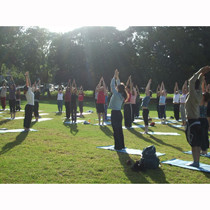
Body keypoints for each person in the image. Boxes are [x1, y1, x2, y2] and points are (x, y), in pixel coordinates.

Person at [185, 66, 210, 167]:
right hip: (197, 122)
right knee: (197, 143)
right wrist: (201, 76)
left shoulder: (192, 95)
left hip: (192, 122)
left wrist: (200, 71)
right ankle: (196, 162)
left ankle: (195, 162)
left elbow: (191, 81)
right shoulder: (199, 94)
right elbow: (197, 84)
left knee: (193, 144)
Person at [109, 69, 128, 150]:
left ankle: (117, 146)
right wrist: (117, 77)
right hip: (119, 114)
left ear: (118, 89)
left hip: (115, 113)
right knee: (119, 130)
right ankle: (122, 145)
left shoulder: (116, 94)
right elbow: (119, 86)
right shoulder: (122, 94)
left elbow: (112, 85)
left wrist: (114, 76)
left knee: (115, 130)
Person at [199, 79, 210, 155]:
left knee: (202, 136)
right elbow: (204, 90)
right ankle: (203, 150)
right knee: (204, 135)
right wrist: (204, 82)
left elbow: (202, 90)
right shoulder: (206, 101)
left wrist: (203, 81)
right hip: (204, 121)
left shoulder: (202, 102)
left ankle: (204, 151)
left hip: (202, 120)